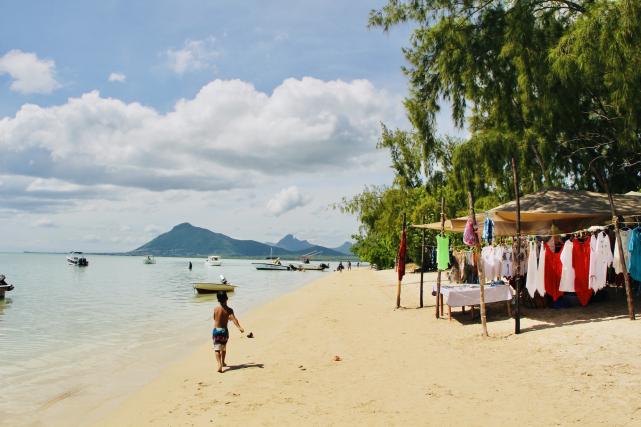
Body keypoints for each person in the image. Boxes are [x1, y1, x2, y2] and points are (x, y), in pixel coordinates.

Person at [212, 291, 244, 373]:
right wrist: (239, 327)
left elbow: (214, 318)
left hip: (216, 331)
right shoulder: (229, 310)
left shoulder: (216, 309)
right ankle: (223, 362)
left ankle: (219, 364)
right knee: (223, 347)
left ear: (218, 300)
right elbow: (234, 319)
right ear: (227, 298)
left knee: (217, 349)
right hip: (224, 331)